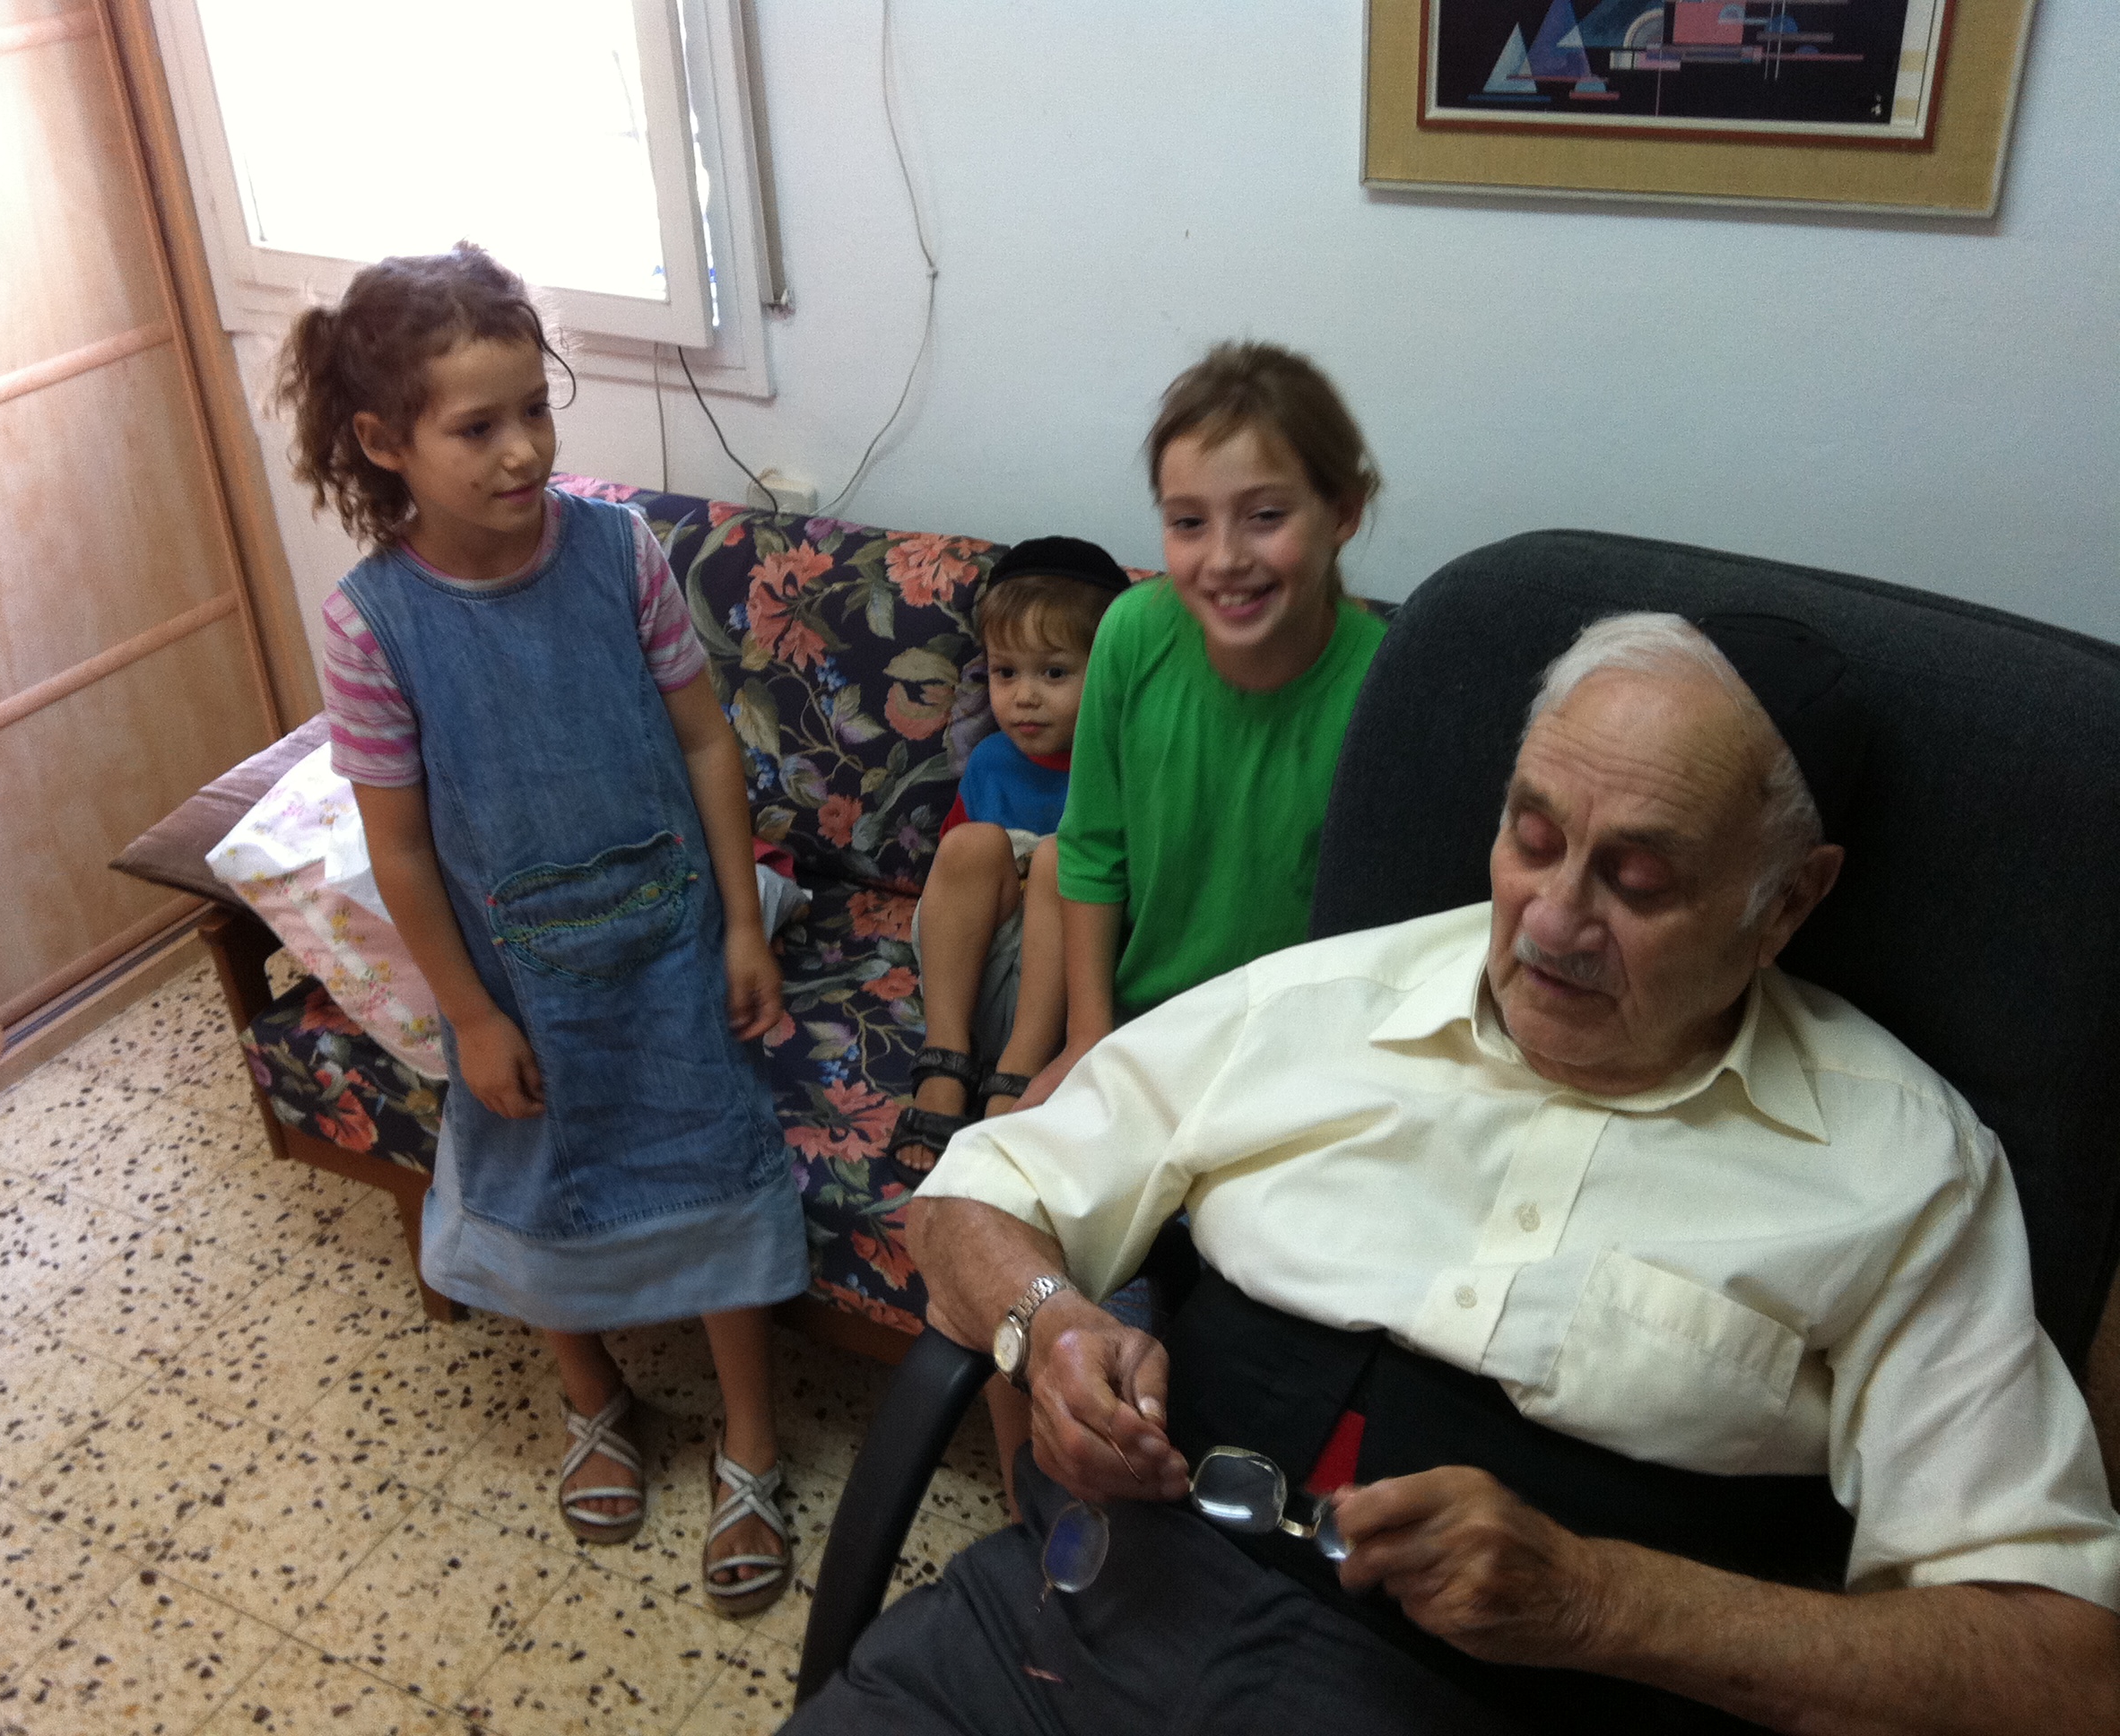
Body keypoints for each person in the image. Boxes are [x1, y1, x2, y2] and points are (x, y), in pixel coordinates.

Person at [793, 612, 2120, 1731]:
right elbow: (973, 1195)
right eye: (1533, 838)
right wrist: (1048, 1324)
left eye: (1638, 880)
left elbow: (2059, 1663)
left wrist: (1600, 1599)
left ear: (1786, 902)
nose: (1552, 919)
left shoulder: (1903, 1165)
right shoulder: (1322, 998)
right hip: (1070, 1624)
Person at [276, 244, 804, 1615]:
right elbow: (398, 845)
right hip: (516, 977)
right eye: (478, 427)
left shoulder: (619, 554)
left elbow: (706, 742)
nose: (522, 450)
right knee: (542, 1189)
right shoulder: (371, 626)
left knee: (711, 1172)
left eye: (535, 409)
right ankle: (593, 1395)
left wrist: (742, 924)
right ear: (383, 442)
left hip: (673, 945)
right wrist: (470, 1013)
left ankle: (752, 1439)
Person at [1014, 341, 1389, 1115]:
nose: (1224, 559)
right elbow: (1092, 849)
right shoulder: (1130, 634)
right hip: (1134, 1025)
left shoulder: (1386, 686)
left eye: (1265, 517)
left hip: (1286, 1057)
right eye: (1189, 522)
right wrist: (1088, 1037)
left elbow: (1382, 935)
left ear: (1343, 513)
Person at [891, 535, 1130, 1175]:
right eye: (1006, 672)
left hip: (1073, 1001)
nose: (1024, 696)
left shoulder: (1121, 771)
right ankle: (944, 1061)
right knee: (970, 843)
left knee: (1060, 859)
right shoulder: (991, 760)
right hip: (971, 982)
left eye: (1054, 673)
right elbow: (954, 892)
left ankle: (1017, 1078)